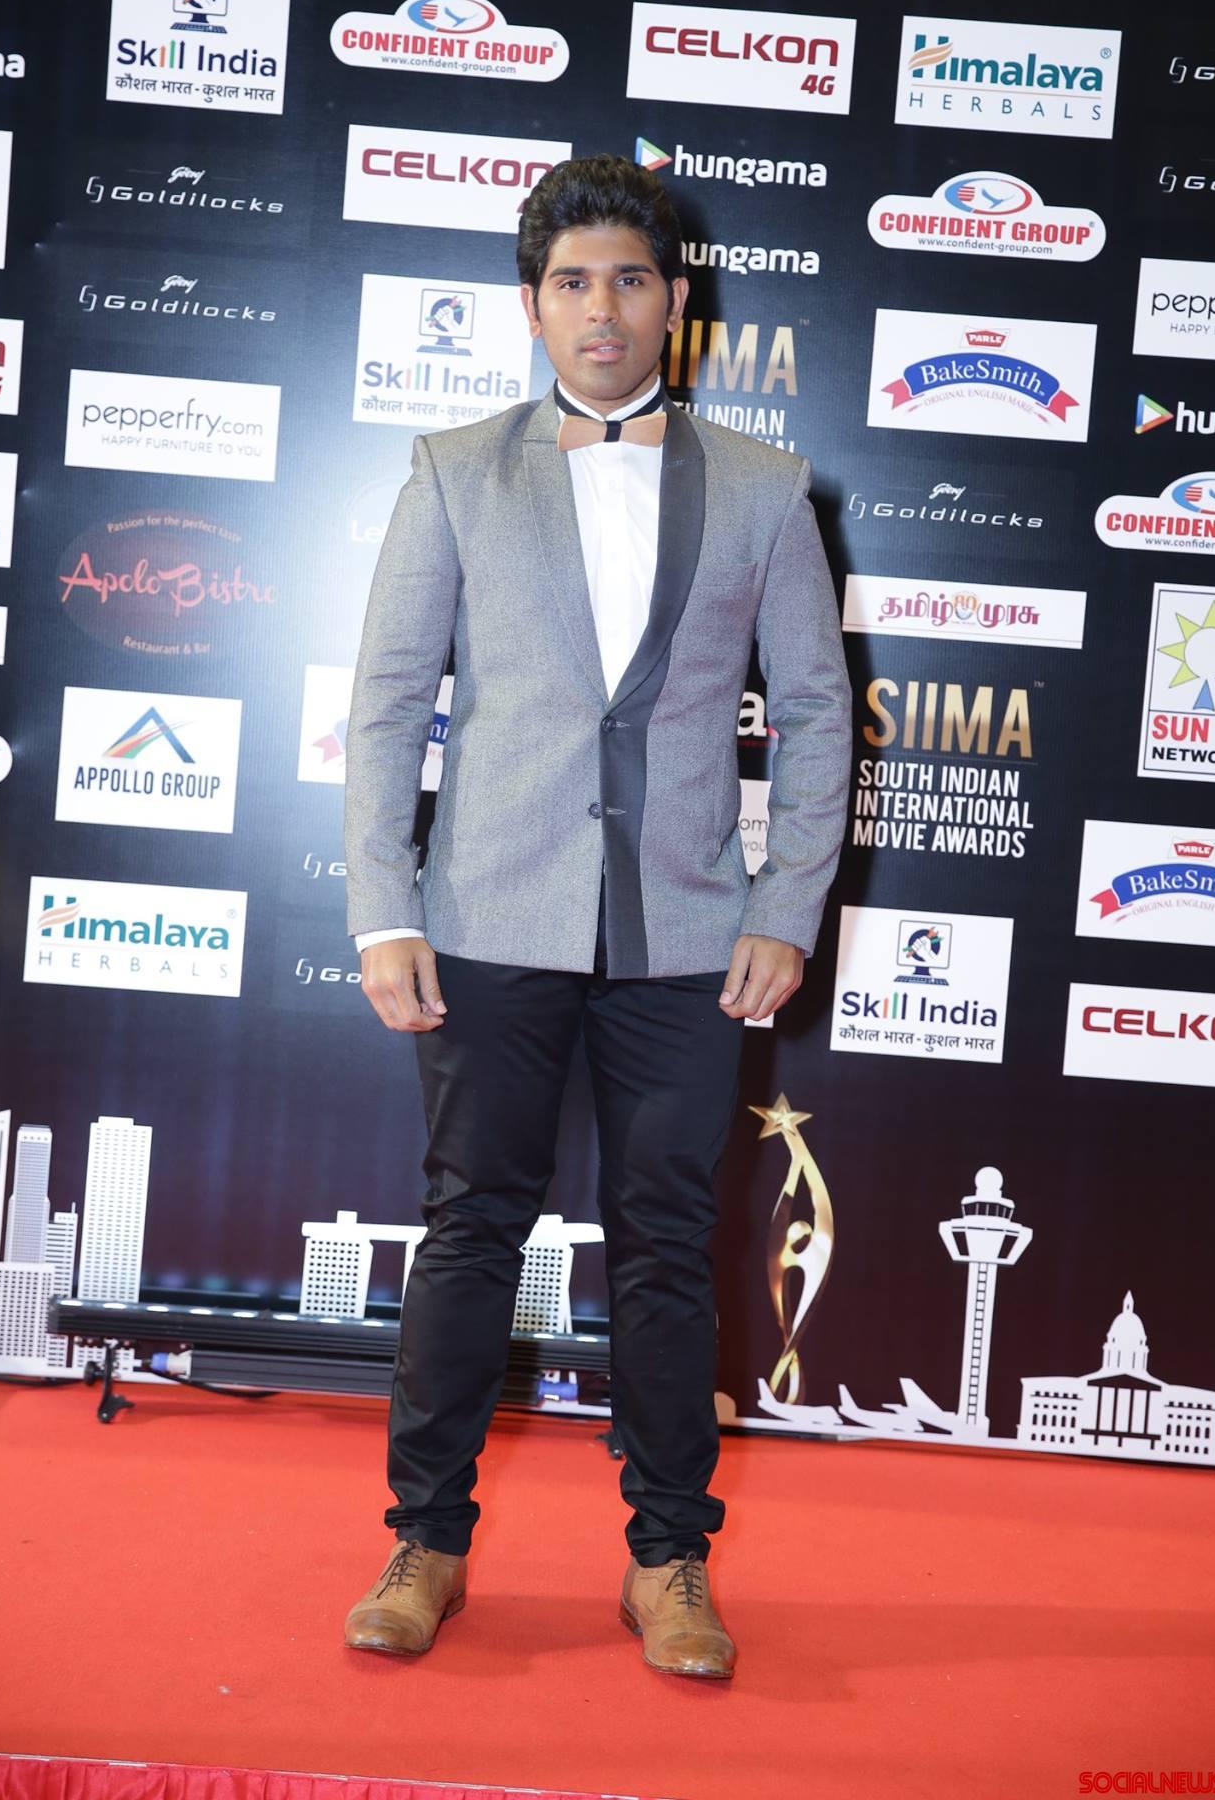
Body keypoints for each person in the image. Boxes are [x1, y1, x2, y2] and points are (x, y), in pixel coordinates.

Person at [340, 154, 850, 1678]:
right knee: (469, 1232)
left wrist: (786, 903)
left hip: (686, 932)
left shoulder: (762, 486)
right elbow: (387, 703)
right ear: (532, 307)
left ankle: (668, 1561)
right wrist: (381, 908)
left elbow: (814, 715)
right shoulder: (454, 468)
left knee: (667, 1248)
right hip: (489, 912)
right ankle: (426, 1543)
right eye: (571, 283)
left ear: (673, 300)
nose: (601, 308)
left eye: (629, 278)